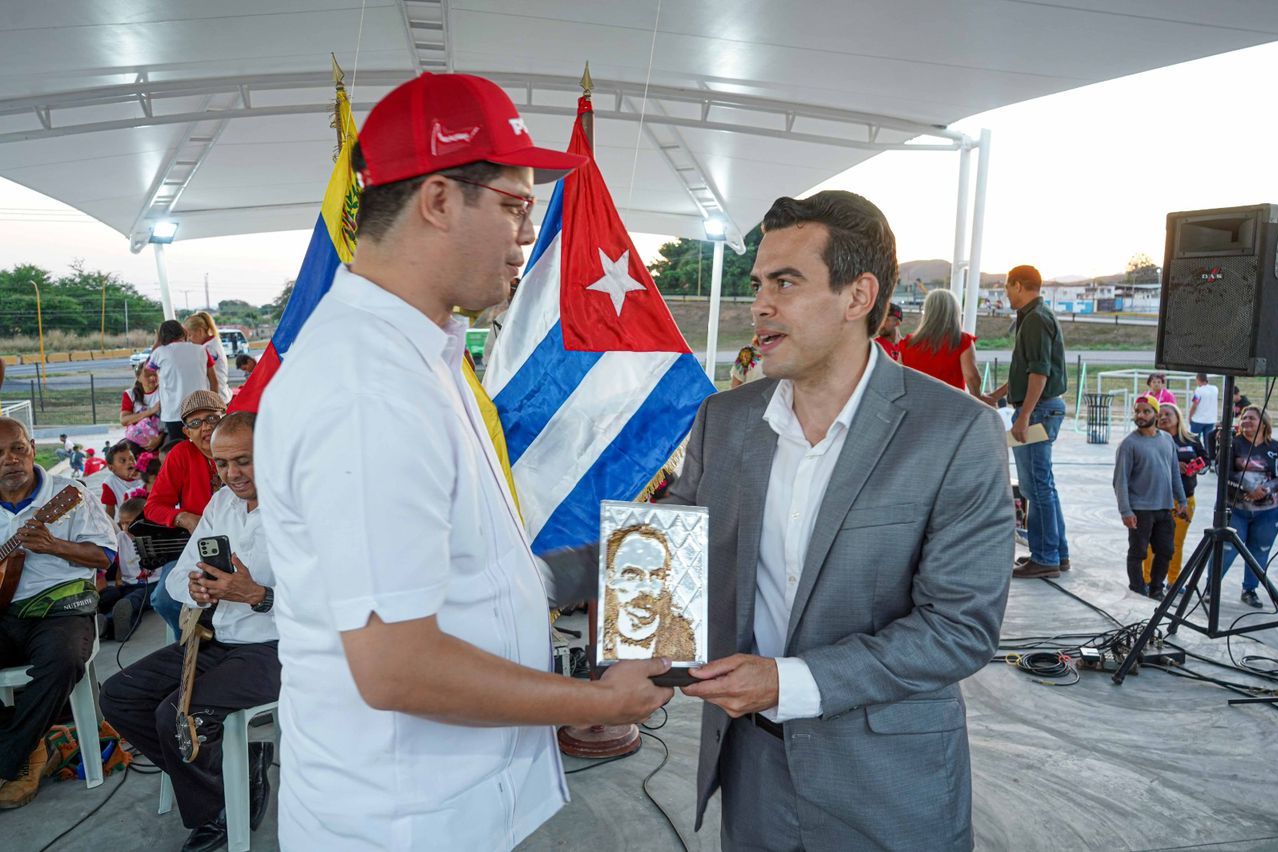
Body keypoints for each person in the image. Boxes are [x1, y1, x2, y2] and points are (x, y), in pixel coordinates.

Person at [255, 72, 672, 850]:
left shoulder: (420, 355)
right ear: (440, 200)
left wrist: (614, 567)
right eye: (516, 206)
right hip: (406, 821)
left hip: (454, 802)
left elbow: (463, 568)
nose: (527, 234)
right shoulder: (367, 386)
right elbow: (399, 669)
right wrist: (597, 702)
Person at [664, 190, 1012, 850]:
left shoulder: (957, 431)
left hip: (887, 785)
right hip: (752, 772)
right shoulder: (727, 419)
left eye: (786, 282)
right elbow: (668, 547)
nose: (759, 304)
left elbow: (960, 629)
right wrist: (534, 575)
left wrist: (785, 682)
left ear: (857, 297)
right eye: (760, 282)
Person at [102, 412, 277, 852]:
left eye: (245, 461)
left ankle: (214, 813)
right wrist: (199, 589)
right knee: (119, 696)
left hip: (279, 648)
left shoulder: (304, 512)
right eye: (222, 463)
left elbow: (329, 602)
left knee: (175, 715)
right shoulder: (221, 506)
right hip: (218, 638)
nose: (232, 474)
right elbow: (179, 579)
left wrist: (257, 594)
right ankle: (227, 784)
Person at [0, 416, 116, 809]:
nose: (9, 460)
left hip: (62, 610)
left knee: (64, 660)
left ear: (32, 447)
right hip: (5, 613)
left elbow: (105, 556)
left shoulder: (70, 494)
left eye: (17, 448)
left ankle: (14, 757)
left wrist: (54, 546)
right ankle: (28, 744)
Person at [988, 264, 1070, 578]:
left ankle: (1046, 557)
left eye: (1007, 288)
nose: (1006, 294)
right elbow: (1026, 371)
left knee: (1036, 488)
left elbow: (1039, 373)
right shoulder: (1035, 316)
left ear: (1019, 285)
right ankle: (1055, 552)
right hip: (1040, 408)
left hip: (1037, 411)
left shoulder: (1035, 319)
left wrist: (1022, 417)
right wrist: (996, 395)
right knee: (1043, 485)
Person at [144, 390, 226, 636]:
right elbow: (153, 506)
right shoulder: (181, 454)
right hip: (197, 547)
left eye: (212, 418)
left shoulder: (243, 446)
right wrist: (182, 517)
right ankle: (194, 645)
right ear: (186, 432)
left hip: (245, 541)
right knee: (164, 599)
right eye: (196, 423)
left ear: (226, 417)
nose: (206, 428)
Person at [1113, 395, 1188, 598]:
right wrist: (1126, 510)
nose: (1140, 415)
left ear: (1155, 414)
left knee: (1165, 551)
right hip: (1140, 509)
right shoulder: (1128, 444)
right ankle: (1137, 590)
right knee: (1138, 552)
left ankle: (1156, 589)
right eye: (1137, 411)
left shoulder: (1166, 440)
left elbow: (1174, 472)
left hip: (1164, 508)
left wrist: (1181, 500)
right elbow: (1120, 481)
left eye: (1146, 411)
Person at [601, 524, 696, 660]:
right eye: (632, 575)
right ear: (610, 577)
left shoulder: (682, 637)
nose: (646, 587)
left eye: (656, 576)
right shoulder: (602, 631)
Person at [1143, 402, 1209, 592]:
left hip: (1185, 498)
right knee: (1150, 542)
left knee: (1175, 543)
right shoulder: (1151, 439)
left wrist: (1193, 467)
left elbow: (1206, 461)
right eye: (1159, 415)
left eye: (1167, 413)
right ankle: (1147, 580)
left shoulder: (1192, 439)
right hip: (1156, 499)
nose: (1163, 417)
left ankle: (1174, 580)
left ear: (1177, 416)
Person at [1220, 405, 1278, 608]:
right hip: (1236, 508)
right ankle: (1212, 588)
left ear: (1263, 423)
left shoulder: (1276, 448)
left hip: (1268, 512)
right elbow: (1224, 473)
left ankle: (1250, 589)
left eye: (1251, 418)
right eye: (1244, 417)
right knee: (1226, 550)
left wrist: (1267, 489)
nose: (1246, 421)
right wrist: (1248, 487)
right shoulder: (1232, 445)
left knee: (1259, 551)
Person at [898, 288, 983, 396]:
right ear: (953, 312)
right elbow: (972, 378)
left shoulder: (908, 342)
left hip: (915, 407)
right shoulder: (961, 340)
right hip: (950, 408)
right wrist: (978, 399)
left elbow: (898, 377)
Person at [147, 320, 217, 443]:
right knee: (203, 446)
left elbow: (147, 371)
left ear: (161, 336)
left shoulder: (160, 352)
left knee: (180, 451)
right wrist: (213, 405)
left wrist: (157, 343)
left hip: (173, 413)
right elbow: (214, 381)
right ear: (183, 332)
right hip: (200, 409)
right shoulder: (201, 350)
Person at [96, 497, 153, 641]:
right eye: (122, 523)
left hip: (151, 584)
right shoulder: (120, 537)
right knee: (110, 594)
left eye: (129, 523)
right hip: (128, 584)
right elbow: (121, 560)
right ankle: (104, 623)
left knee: (134, 600)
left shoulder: (152, 536)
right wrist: (117, 578)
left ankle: (107, 624)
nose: (125, 527)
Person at [185, 311, 231, 405]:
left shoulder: (208, 348)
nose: (189, 339)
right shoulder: (212, 344)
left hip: (216, 398)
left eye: (190, 335)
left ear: (200, 331)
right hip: (217, 396)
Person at [121, 363, 163, 455]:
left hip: (159, 437)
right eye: (147, 376)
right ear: (138, 377)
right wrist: (151, 411)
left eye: (154, 374)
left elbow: (169, 421)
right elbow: (124, 420)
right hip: (136, 439)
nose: (152, 378)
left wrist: (159, 439)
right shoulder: (130, 394)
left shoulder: (163, 391)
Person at [99, 441, 147, 519]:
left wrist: (144, 477)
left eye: (132, 459)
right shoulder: (110, 483)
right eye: (123, 461)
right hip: (129, 522)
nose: (130, 462)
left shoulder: (146, 475)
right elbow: (110, 511)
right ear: (111, 468)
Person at [1188, 373, 1219, 449]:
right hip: (1211, 420)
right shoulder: (1215, 389)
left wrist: (1190, 416)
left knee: (1194, 440)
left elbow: (1195, 404)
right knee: (1207, 442)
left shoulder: (1198, 390)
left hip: (1198, 420)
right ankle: (1207, 457)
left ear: (1198, 380)